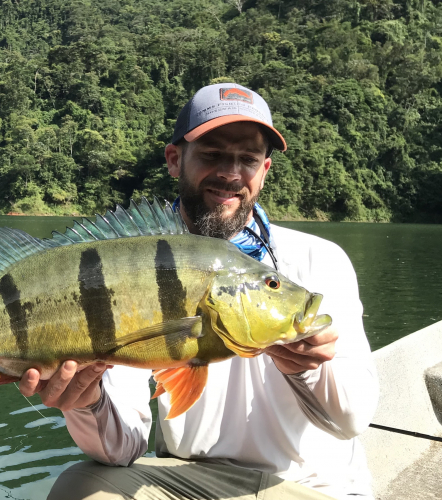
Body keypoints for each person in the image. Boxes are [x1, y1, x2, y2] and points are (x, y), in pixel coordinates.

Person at [19, 83, 379, 500]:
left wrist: (306, 369)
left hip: (308, 487)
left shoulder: (319, 260)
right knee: (79, 486)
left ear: (264, 170)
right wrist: (86, 402)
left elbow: (350, 422)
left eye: (248, 159)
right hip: (187, 482)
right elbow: (122, 449)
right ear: (175, 159)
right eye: (212, 154)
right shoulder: (134, 267)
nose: (231, 173)